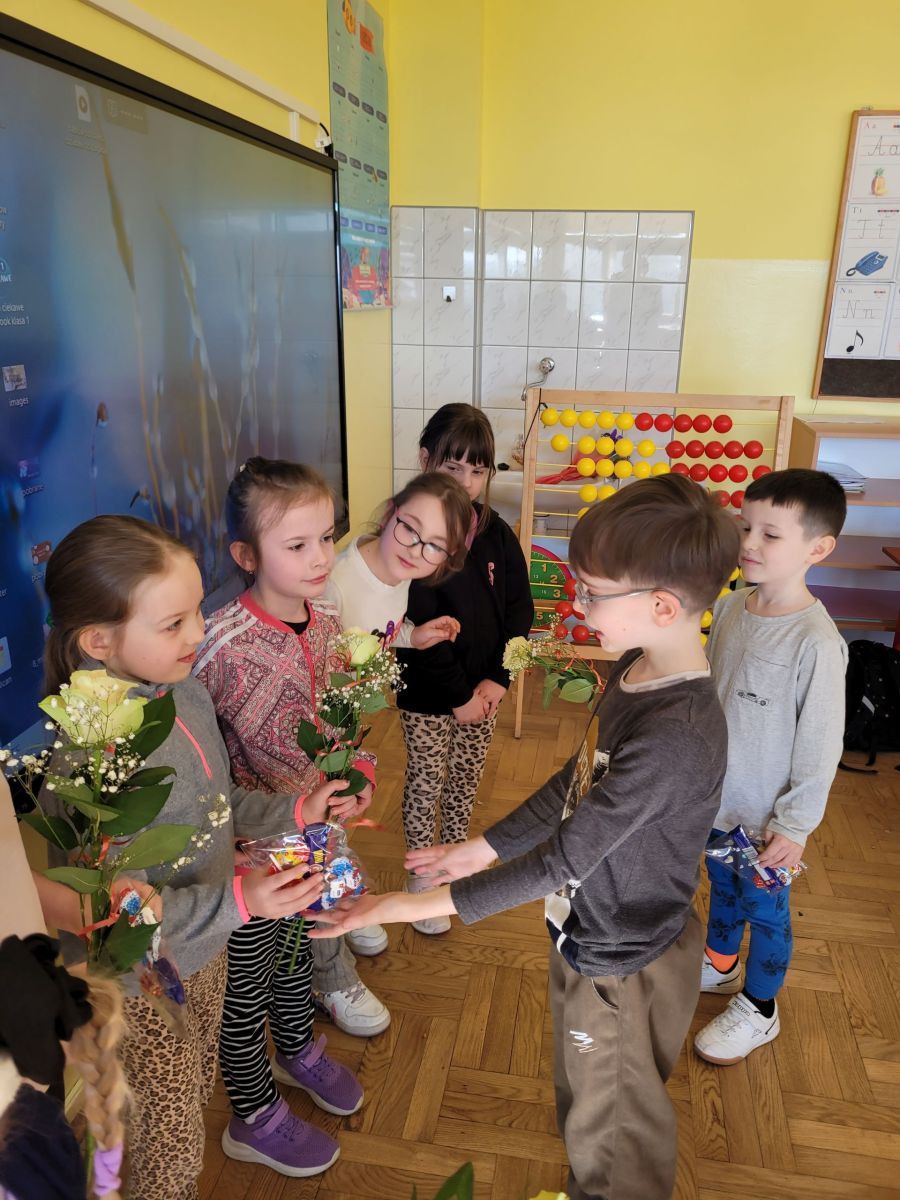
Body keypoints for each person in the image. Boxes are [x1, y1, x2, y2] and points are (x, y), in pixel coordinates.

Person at [310, 474, 741, 1200]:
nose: (578, 605)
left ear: (662, 606)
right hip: (591, 934)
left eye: (593, 593)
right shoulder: (636, 667)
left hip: (624, 962)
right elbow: (578, 780)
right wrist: (478, 849)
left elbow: (563, 859)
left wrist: (400, 906)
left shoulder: (678, 737)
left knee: (617, 1133)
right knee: (589, 1102)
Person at [41, 515, 330, 1200]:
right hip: (137, 985)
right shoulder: (89, 762)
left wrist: (296, 811)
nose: (199, 633)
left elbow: (218, 803)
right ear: (98, 641)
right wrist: (244, 900)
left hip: (206, 946)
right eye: (173, 623)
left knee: (195, 1084)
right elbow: (121, 918)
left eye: (199, 610)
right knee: (171, 1147)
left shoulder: (186, 692)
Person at [195, 458, 378, 1176]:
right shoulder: (216, 646)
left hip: (316, 844)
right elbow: (204, 775)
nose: (320, 558)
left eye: (326, 537)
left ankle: (298, 1048)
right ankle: (251, 1113)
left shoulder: (328, 619)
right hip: (250, 865)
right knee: (244, 992)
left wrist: (357, 777)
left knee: (298, 957)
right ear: (246, 555)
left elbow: (344, 725)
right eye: (296, 545)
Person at [694, 468, 848, 1065]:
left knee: (765, 911)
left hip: (767, 824)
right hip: (717, 802)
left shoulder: (817, 642)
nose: (749, 543)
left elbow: (821, 745)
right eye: (746, 527)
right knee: (722, 890)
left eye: (771, 534)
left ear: (818, 548)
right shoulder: (731, 607)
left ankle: (760, 1008)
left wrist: (795, 825)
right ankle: (720, 964)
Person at [397, 405, 533, 934]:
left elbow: (520, 611)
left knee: (465, 780)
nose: (467, 483)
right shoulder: (413, 536)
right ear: (425, 460)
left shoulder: (496, 532)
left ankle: (450, 867)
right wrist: (459, 698)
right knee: (427, 781)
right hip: (429, 694)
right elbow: (420, 626)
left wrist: (500, 679)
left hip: (485, 691)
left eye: (478, 471)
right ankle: (421, 875)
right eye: (453, 468)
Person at [324, 471, 472, 652]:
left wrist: (412, 636)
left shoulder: (400, 569)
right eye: (410, 528)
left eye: (435, 546)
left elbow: (376, 633)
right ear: (390, 513)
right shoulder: (334, 587)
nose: (415, 552)